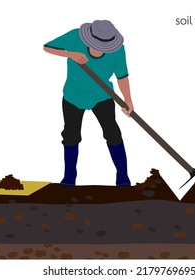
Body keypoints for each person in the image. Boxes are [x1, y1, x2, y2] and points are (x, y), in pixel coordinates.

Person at [43, 20, 133, 186]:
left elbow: (122, 75)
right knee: (71, 135)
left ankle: (123, 178)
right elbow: (47, 47)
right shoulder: (75, 37)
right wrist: (71, 54)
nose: (99, 49)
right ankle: (69, 178)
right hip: (73, 95)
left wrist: (127, 100)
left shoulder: (118, 50)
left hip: (102, 95)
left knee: (112, 133)